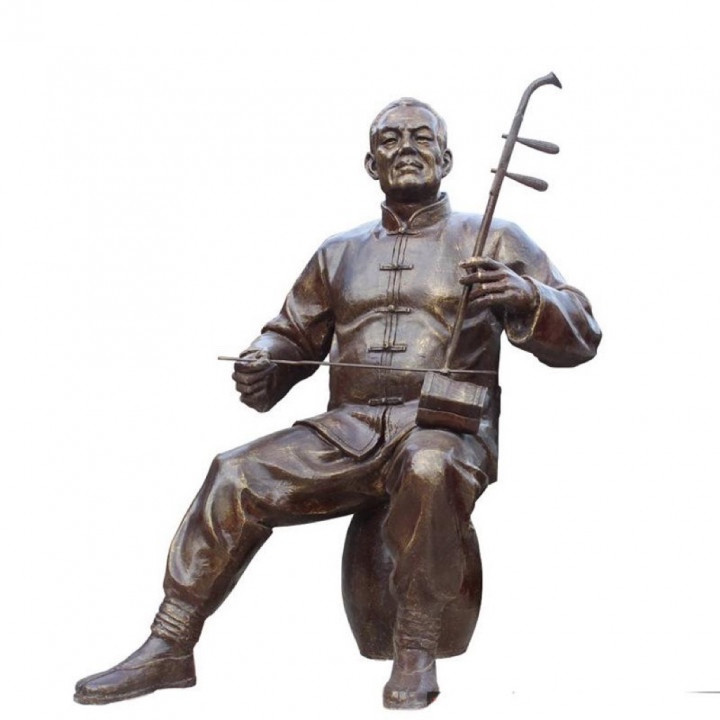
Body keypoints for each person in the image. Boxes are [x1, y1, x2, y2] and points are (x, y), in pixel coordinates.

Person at [74, 98, 601, 709]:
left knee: (429, 465)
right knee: (233, 473)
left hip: (444, 427)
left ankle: (416, 647)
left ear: (448, 158)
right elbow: (291, 335)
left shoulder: (492, 237)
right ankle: (170, 643)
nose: (407, 148)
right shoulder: (339, 252)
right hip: (346, 431)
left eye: (422, 137)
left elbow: (583, 331)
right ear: (371, 164)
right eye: (390, 140)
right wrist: (263, 361)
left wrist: (528, 295)